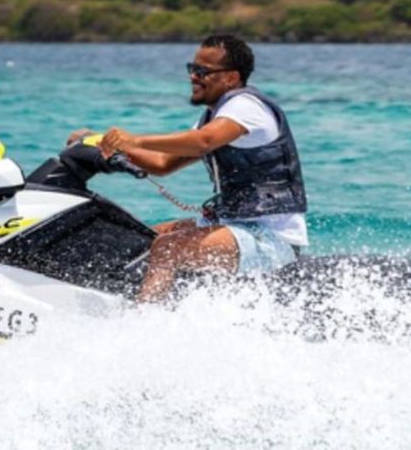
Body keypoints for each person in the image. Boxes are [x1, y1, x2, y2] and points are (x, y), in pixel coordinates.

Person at [98, 34, 308, 303]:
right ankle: (128, 301)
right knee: (153, 234)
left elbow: (202, 142)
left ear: (231, 78)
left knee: (168, 248)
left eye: (202, 71)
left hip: (272, 238)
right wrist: (103, 143)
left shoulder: (246, 107)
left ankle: (142, 324)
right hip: (236, 226)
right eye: (191, 69)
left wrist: (134, 139)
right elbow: (163, 164)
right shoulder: (216, 116)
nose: (193, 77)